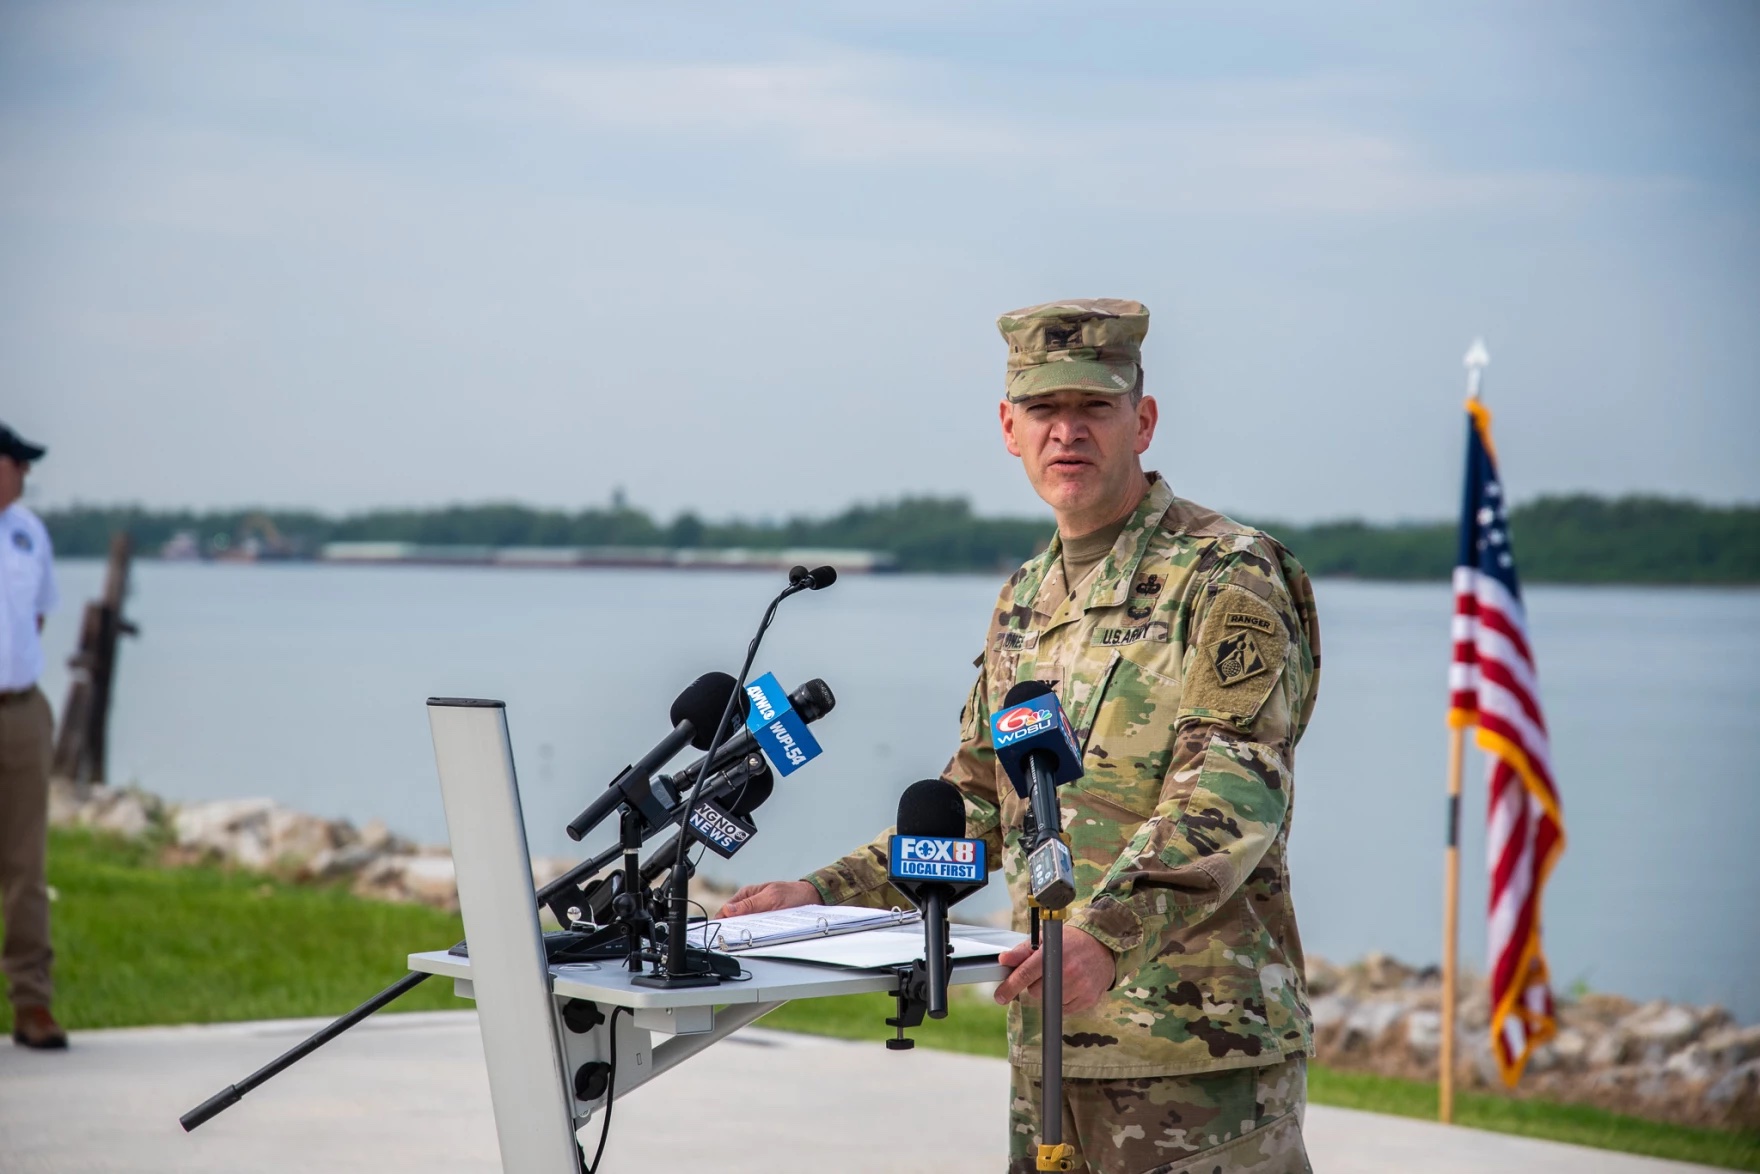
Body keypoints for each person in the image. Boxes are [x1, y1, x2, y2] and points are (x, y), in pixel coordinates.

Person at [722, 299, 1321, 1173]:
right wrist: (822, 897)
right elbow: (974, 804)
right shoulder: (1026, 597)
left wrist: (1106, 938)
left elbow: (1232, 794)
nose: (1066, 432)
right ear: (1010, 429)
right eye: (1044, 410)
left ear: (1143, 422)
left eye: (1094, 407)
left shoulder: (1228, 574)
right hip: (1048, 1055)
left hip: (1198, 1065)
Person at [0, 423, 64, 1050]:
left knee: (26, 864)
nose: (24, 474)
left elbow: (37, 616)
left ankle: (32, 1002)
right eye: (17, 462)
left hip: (20, 709)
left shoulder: (28, 532)